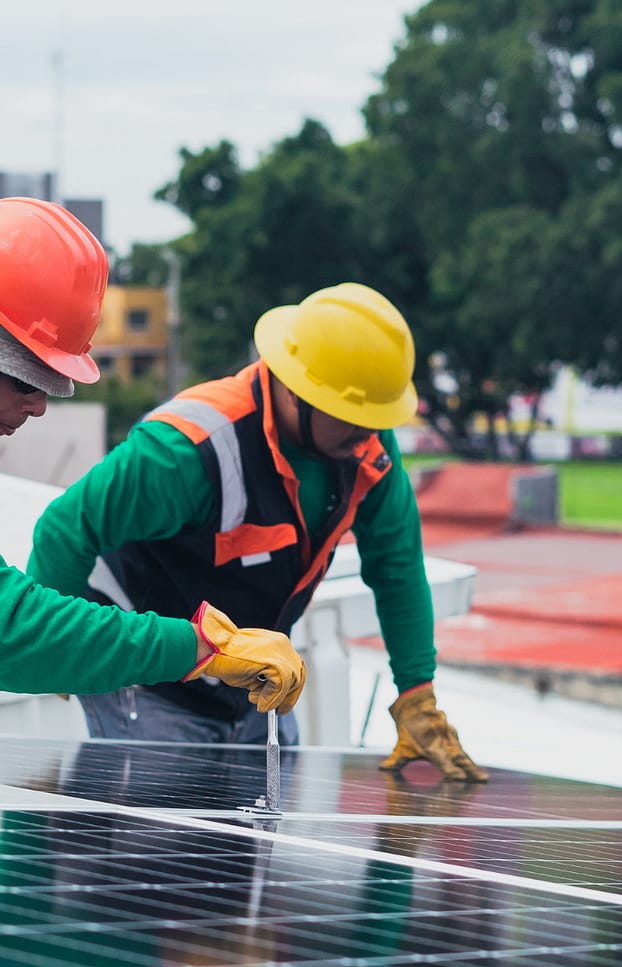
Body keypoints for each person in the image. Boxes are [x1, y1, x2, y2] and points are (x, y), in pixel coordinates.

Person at [27, 277, 488, 782]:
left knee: (251, 844)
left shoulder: (368, 455)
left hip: (255, 687)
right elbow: (65, 529)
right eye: (353, 416)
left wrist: (417, 694)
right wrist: (61, 658)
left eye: (377, 420)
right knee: (160, 845)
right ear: (296, 389)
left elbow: (397, 570)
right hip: (150, 683)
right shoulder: (188, 448)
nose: (368, 434)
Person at [0, 196, 305, 714]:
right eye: (25, 378)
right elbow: (11, 628)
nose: (39, 406)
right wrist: (201, 647)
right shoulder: (184, 452)